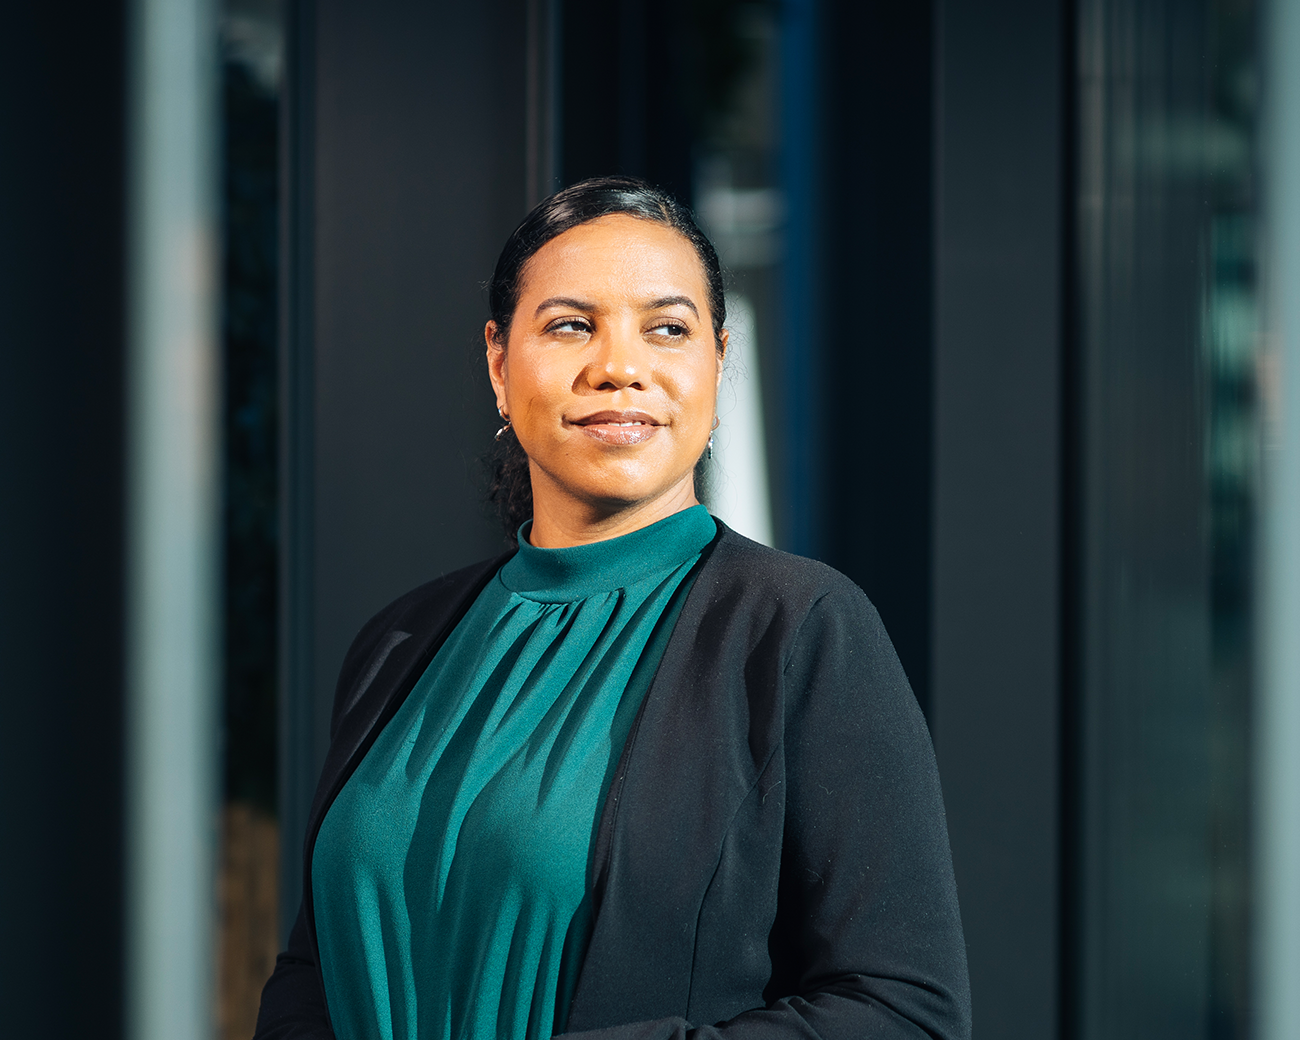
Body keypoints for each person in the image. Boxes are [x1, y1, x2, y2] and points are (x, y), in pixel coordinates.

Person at [254, 176, 971, 1040]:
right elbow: (314, 971)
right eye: (569, 325)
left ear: (716, 360)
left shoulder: (799, 629)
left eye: (666, 329)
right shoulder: (399, 643)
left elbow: (903, 1010)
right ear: (497, 361)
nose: (619, 368)